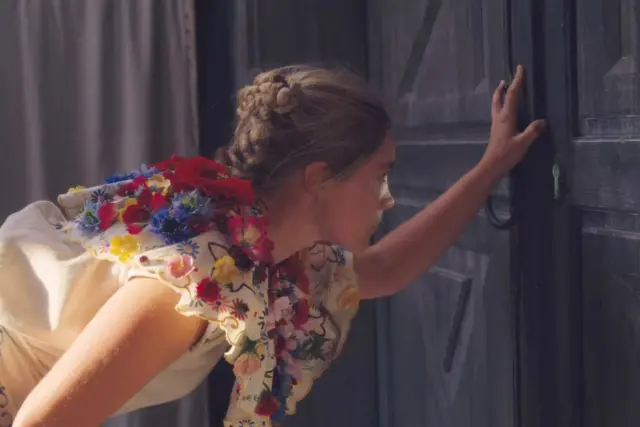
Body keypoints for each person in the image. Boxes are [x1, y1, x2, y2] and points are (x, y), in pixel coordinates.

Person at [4, 64, 544, 427]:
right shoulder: (192, 277)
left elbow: (384, 268)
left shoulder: (268, 257)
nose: (387, 199)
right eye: (379, 176)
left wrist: (491, 166)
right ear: (319, 179)